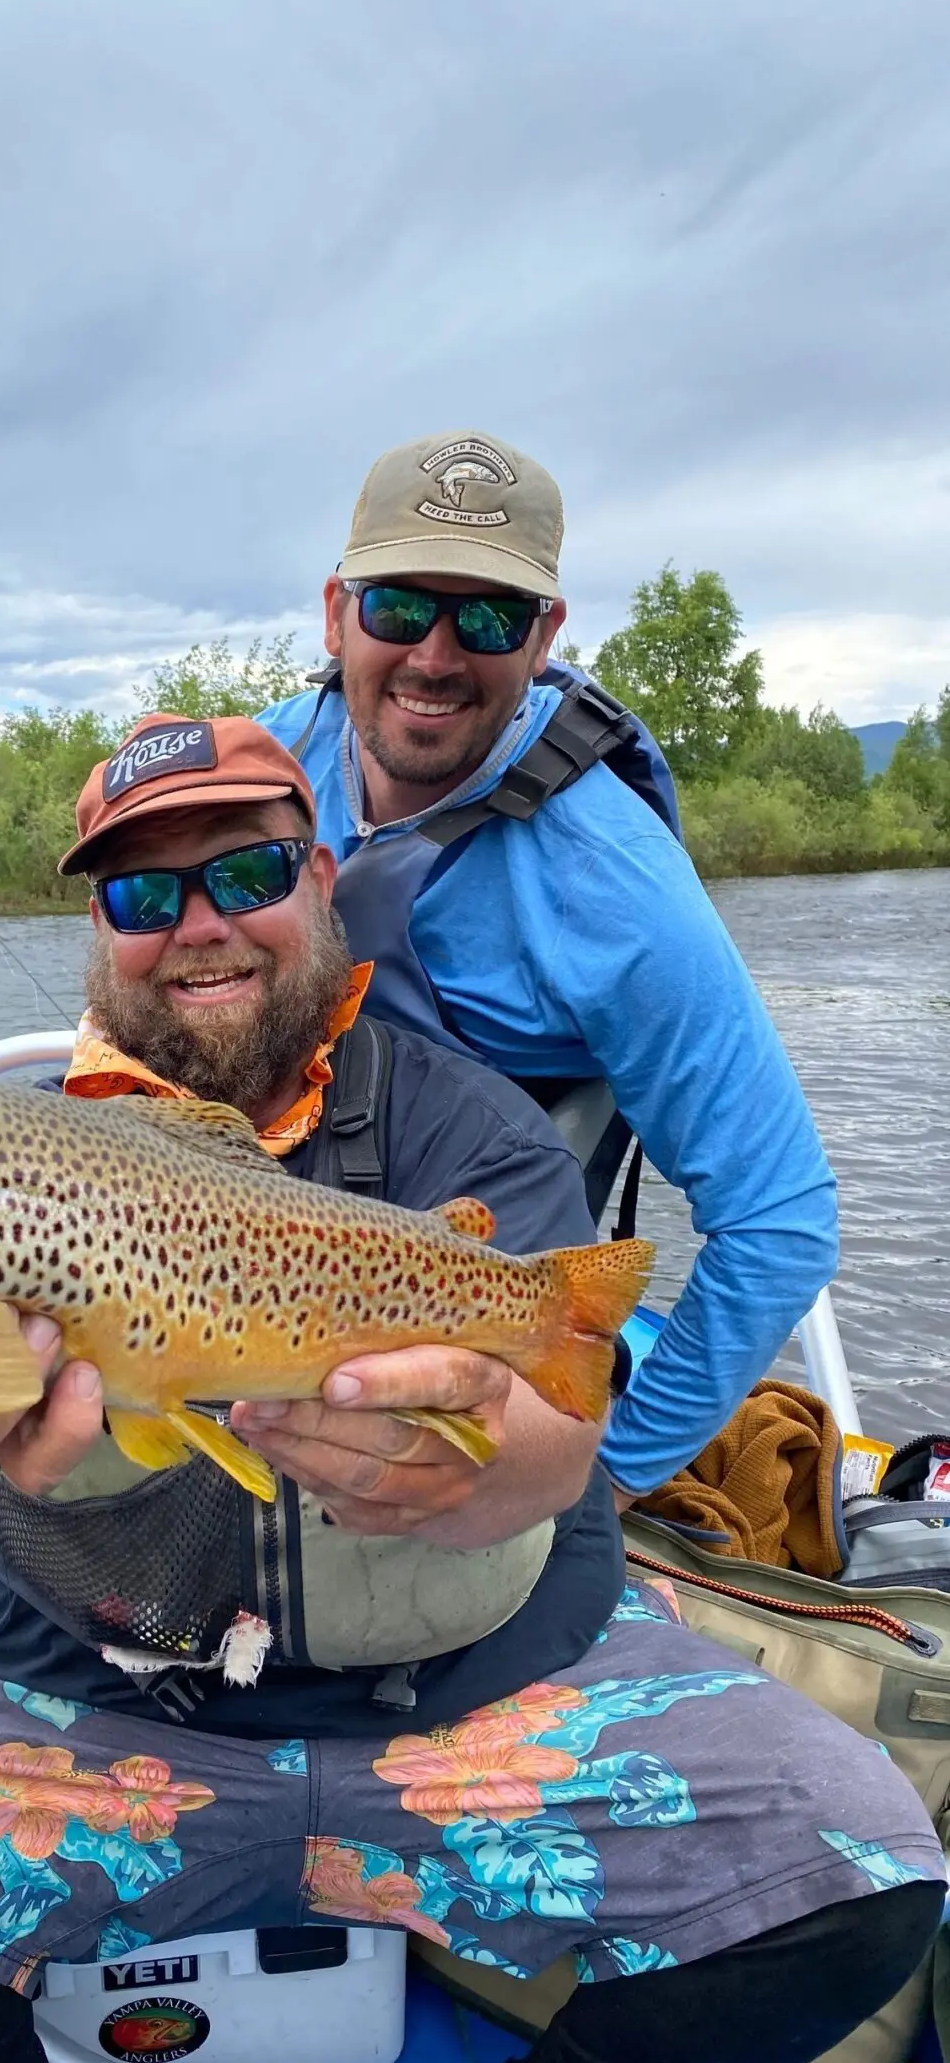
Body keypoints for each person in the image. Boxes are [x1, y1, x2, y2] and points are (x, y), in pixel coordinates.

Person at [0, 718, 941, 2063]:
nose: (198, 927)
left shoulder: (473, 1133)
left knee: (867, 1874)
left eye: (248, 871)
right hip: (96, 1711)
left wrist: (475, 1457)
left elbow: (562, 1434)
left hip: (472, 1706)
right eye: (140, 895)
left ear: (324, 881)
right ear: (100, 931)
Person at [257, 430, 840, 1505]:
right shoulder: (262, 765)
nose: (435, 656)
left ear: (545, 635)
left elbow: (780, 1221)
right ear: (336, 613)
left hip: (469, 1303)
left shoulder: (621, 891)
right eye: (398, 608)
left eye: (487, 617)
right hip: (238, 1264)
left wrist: (597, 1484)